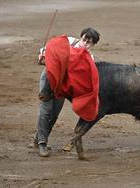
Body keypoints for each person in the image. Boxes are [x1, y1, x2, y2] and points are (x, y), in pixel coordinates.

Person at [34, 27, 100, 157]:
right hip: (50, 79)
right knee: (46, 110)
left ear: (93, 44)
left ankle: (38, 138)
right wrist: (43, 54)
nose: (85, 43)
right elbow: (48, 50)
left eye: (89, 42)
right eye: (84, 39)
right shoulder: (68, 42)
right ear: (81, 37)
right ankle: (42, 143)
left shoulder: (90, 58)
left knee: (54, 114)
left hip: (63, 87)